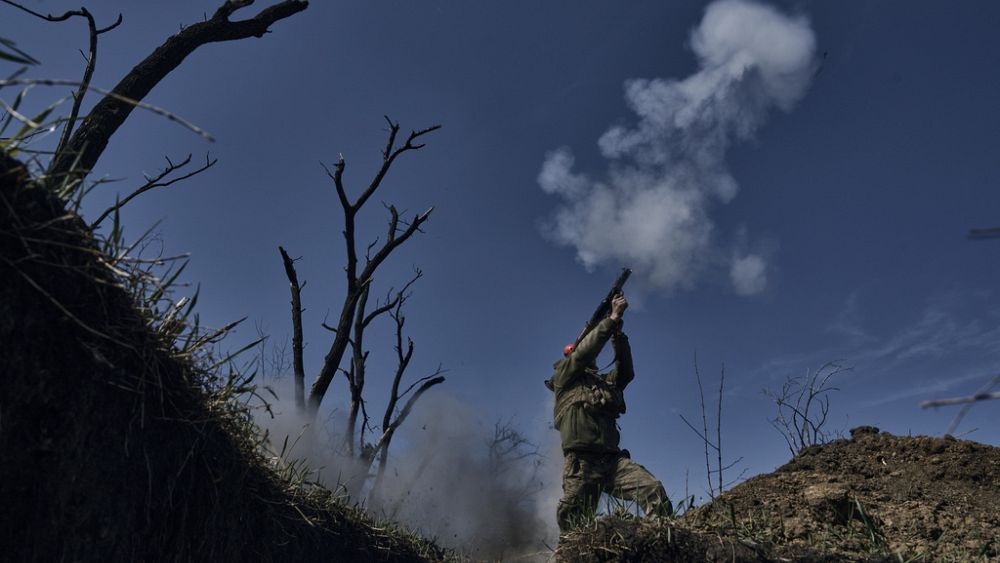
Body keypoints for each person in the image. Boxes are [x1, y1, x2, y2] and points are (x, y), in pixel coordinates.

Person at [547, 294, 671, 533]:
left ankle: (662, 544)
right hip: (582, 463)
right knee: (574, 524)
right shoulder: (565, 376)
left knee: (652, 489)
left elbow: (626, 373)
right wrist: (611, 319)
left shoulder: (605, 383)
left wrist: (618, 336)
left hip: (612, 461)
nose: (586, 356)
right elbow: (582, 353)